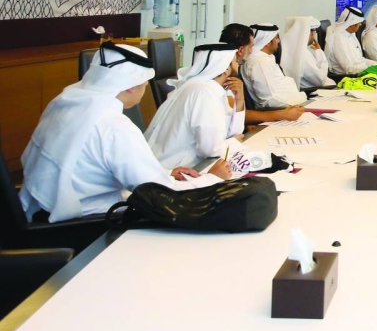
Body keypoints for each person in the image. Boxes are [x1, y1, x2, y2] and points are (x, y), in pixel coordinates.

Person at [19, 43, 232, 222]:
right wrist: (211, 178)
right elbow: (158, 194)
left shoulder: (65, 100)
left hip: (40, 207)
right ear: (131, 86)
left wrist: (165, 172)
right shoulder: (114, 127)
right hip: (85, 223)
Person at [145, 43, 247, 169]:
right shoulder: (203, 93)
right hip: (175, 171)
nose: (237, 65)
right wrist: (233, 143)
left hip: (189, 166)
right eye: (235, 61)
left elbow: (233, 133)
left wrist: (240, 100)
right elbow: (210, 151)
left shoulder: (211, 89)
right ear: (226, 68)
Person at [220, 23, 305, 124]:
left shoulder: (233, 72)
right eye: (251, 47)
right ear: (241, 50)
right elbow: (233, 114)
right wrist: (284, 113)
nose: (252, 52)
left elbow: (236, 114)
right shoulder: (223, 76)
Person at [242, 23, 308, 108]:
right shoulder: (260, 63)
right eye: (276, 37)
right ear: (267, 42)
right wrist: (297, 104)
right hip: (285, 110)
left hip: (295, 104)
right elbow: (268, 101)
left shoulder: (266, 58)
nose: (279, 41)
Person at [281, 16, 336, 89]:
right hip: (313, 92)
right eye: (312, 31)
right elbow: (321, 80)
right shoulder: (303, 55)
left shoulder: (286, 49)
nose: (313, 35)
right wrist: (320, 53)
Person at [326, 6, 377, 76]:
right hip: (345, 77)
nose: (360, 25)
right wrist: (371, 69)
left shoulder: (351, 35)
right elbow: (348, 69)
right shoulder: (338, 39)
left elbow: (361, 60)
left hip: (359, 72)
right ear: (353, 24)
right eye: (359, 23)